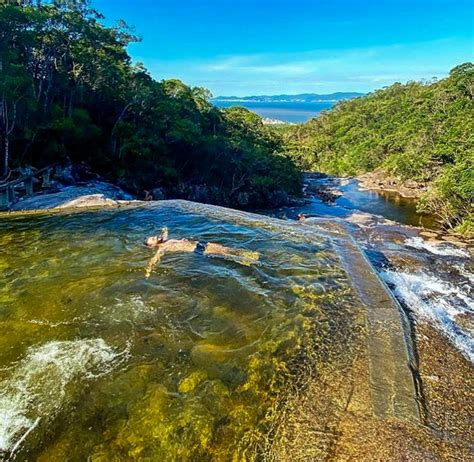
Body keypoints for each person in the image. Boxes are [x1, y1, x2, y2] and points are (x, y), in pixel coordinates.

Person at [144, 227, 260, 278]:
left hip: (200, 243)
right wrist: (148, 271)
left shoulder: (165, 240)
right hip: (198, 250)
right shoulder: (162, 248)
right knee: (225, 254)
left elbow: (165, 233)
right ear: (152, 246)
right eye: (153, 239)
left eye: (154, 236)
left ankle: (252, 255)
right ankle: (249, 261)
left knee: (226, 248)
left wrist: (164, 229)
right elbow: (154, 259)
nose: (156, 237)